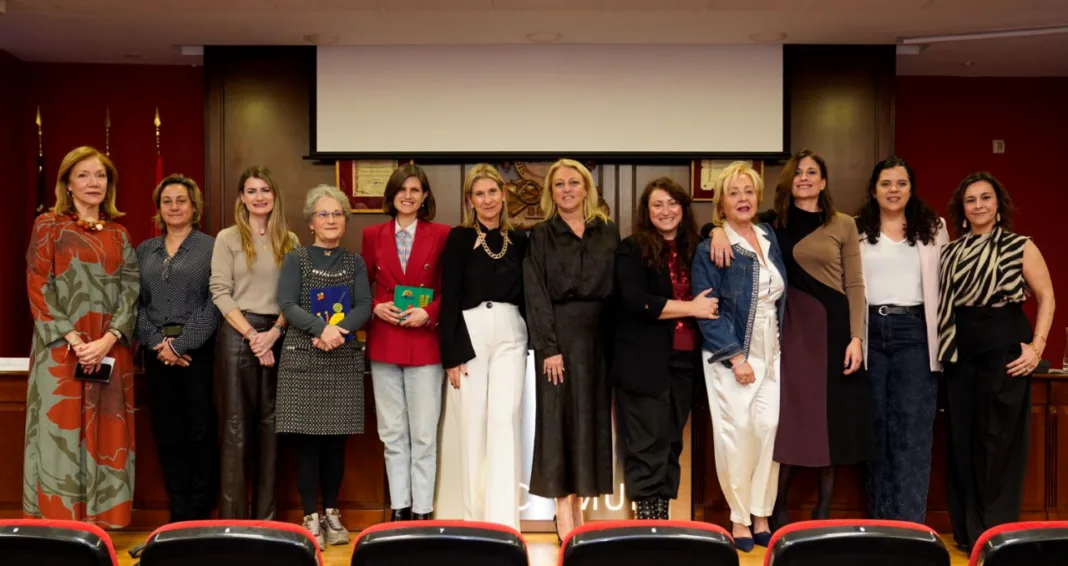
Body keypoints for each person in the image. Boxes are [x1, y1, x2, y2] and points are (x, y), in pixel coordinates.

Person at [707, 150, 870, 527]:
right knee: (790, 419)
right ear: (788, 181)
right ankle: (775, 508)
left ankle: (823, 510)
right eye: (798, 173)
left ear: (824, 181)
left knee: (830, 419)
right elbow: (730, 225)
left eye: (813, 172)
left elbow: (856, 283)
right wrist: (714, 229)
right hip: (791, 330)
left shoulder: (842, 223)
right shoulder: (770, 224)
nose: (805, 178)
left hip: (834, 331)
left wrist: (857, 337)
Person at [938, 171, 1054, 552]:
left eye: (985, 198)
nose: (978, 205)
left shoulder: (1021, 246)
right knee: (963, 441)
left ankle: (997, 534)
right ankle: (969, 532)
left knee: (998, 442)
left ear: (998, 205)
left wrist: (1036, 348)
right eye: (970, 200)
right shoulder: (951, 251)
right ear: (963, 209)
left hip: (1005, 349)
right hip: (961, 352)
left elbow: (1046, 296)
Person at [24, 146, 140, 527]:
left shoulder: (121, 235)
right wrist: (74, 340)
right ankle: (58, 525)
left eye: (101, 176)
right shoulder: (48, 225)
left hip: (108, 350)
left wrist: (107, 340)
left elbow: (131, 291)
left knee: (107, 433)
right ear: (68, 185)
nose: (94, 183)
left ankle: (100, 523)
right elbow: (39, 285)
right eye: (84, 175)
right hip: (61, 351)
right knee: (60, 433)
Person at [524, 158, 619, 540]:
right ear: (551, 192)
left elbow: (618, 289)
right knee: (558, 424)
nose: (566, 189)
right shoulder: (542, 235)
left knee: (590, 424)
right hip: (559, 339)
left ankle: (581, 511)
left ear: (586, 189)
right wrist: (549, 347)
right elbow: (536, 294)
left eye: (573, 183)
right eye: (559, 184)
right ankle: (564, 517)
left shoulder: (607, 232)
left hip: (600, 340)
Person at [693, 162, 785, 551]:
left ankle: (762, 512)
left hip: (773, 348)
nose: (743, 199)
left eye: (748, 191)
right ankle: (739, 518)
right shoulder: (711, 247)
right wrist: (735, 358)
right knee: (737, 436)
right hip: (733, 352)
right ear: (721, 204)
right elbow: (708, 310)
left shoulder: (768, 237)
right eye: (734, 193)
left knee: (767, 432)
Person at [613, 177, 716, 521]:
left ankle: (662, 516)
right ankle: (647, 521)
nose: (666, 211)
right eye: (658, 204)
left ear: (684, 209)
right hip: (643, 362)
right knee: (645, 444)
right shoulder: (631, 248)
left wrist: (716, 231)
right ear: (647, 211)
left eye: (673, 203)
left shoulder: (696, 248)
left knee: (671, 441)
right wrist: (691, 308)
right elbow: (636, 300)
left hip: (685, 360)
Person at [854, 157, 948, 523]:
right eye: (886, 183)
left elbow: (945, 285)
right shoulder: (856, 227)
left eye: (901, 183)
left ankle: (910, 526)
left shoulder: (933, 227)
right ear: (874, 190)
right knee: (875, 432)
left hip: (915, 334)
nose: (894, 190)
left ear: (911, 188)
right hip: (870, 334)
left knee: (912, 432)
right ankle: (880, 524)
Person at [277, 185, 371, 548]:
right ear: (311, 223)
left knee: (335, 445)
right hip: (303, 358)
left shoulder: (354, 262)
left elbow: (364, 304)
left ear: (345, 221)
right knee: (307, 445)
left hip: (342, 359)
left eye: (337, 214)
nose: (330, 220)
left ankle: (332, 513)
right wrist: (322, 329)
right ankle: (309, 516)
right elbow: (288, 304)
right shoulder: (295, 259)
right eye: (323, 214)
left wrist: (339, 330)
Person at [438, 164, 529, 529]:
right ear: (470, 200)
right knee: (472, 426)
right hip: (469, 331)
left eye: (493, 192)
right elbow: (450, 297)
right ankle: (476, 524)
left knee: (504, 422)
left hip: (510, 331)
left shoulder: (521, 240)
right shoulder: (459, 239)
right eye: (480, 194)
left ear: (503, 195)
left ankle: (505, 523)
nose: (488, 199)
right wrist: (451, 353)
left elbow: (529, 295)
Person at [361, 164, 450, 521]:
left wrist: (430, 313)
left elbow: (450, 290)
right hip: (385, 341)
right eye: (402, 189)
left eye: (415, 190)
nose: (408, 196)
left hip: (426, 343)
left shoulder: (443, 234)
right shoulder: (372, 234)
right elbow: (358, 288)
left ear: (425, 196)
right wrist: (375, 308)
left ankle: (423, 510)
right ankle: (400, 507)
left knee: (425, 434)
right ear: (391, 195)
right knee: (392, 432)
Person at [210, 165, 298, 520]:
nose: (259, 197)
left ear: (274, 196)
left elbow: (295, 295)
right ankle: (233, 523)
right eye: (251, 191)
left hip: (280, 334)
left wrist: (273, 332)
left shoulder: (290, 241)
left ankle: (267, 521)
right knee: (235, 429)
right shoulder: (227, 238)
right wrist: (251, 335)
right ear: (241, 198)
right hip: (237, 334)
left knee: (272, 429)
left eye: (265, 190)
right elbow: (219, 291)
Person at [135, 174, 219, 523]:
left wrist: (182, 343)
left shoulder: (212, 247)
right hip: (156, 355)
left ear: (194, 206)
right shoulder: (144, 251)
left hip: (196, 354)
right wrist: (157, 342)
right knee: (167, 434)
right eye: (167, 201)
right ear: (158, 208)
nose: (174, 207)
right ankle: (178, 509)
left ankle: (200, 510)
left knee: (199, 432)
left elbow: (216, 302)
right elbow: (134, 304)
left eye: (181, 200)